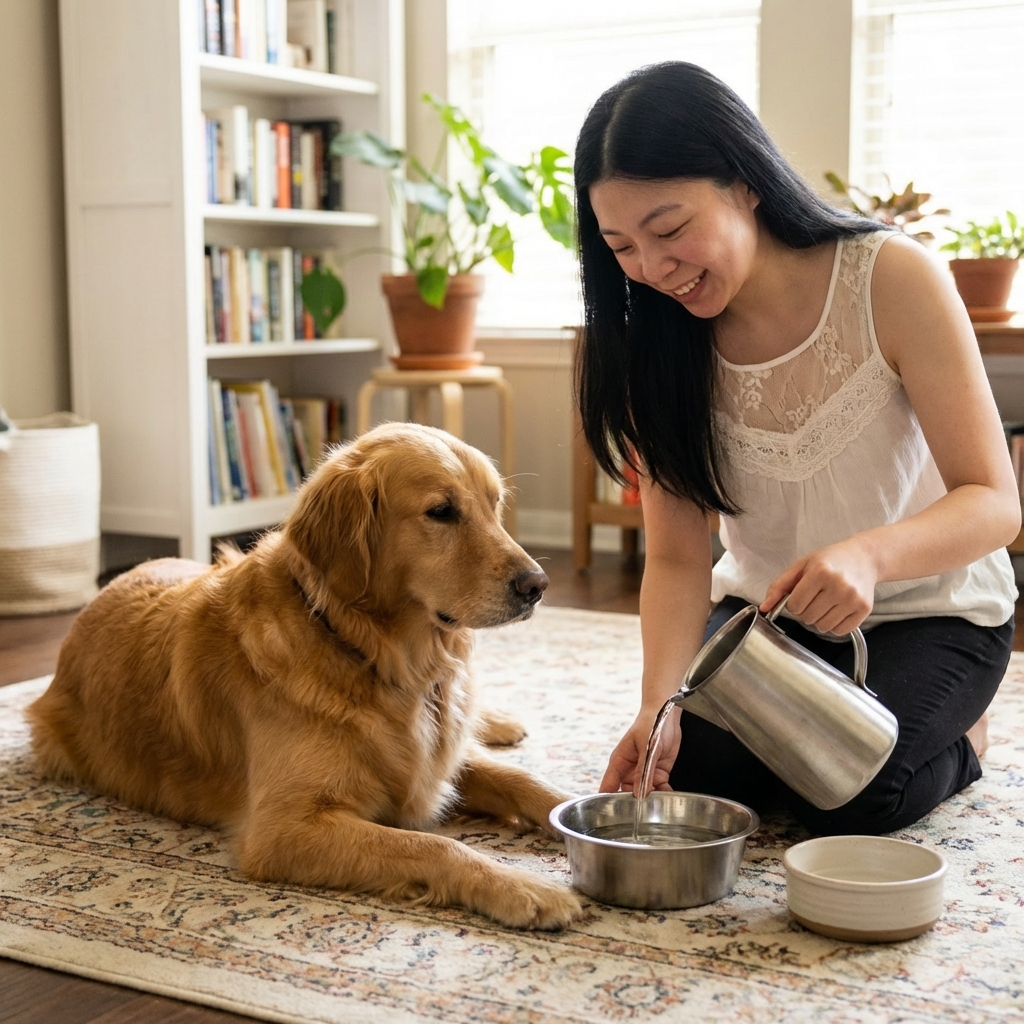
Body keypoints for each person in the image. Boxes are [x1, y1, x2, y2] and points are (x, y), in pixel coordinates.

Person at [575, 62, 1019, 835]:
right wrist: (658, 703)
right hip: (772, 623)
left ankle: (964, 743)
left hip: (931, 610)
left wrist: (869, 558)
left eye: (671, 230)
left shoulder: (892, 277)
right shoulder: (655, 343)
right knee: (695, 775)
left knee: (850, 795)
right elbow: (680, 558)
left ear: (745, 181)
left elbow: (994, 503)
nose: (652, 270)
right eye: (622, 247)